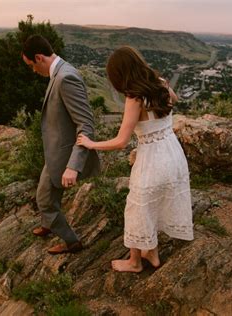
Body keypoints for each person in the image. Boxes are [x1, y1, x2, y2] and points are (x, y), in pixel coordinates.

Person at [77, 46, 194, 272]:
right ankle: (152, 253)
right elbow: (175, 99)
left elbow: (121, 141)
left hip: (152, 158)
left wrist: (92, 144)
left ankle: (134, 262)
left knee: (137, 208)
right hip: (173, 153)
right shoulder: (160, 82)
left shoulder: (134, 98)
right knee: (158, 201)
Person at [22, 35, 100, 255]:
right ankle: (48, 224)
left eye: (31, 65)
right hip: (56, 152)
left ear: (38, 57)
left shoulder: (65, 78)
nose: (32, 71)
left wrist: (73, 166)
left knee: (44, 199)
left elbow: (85, 125)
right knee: (44, 194)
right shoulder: (58, 72)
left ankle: (71, 242)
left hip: (66, 155)